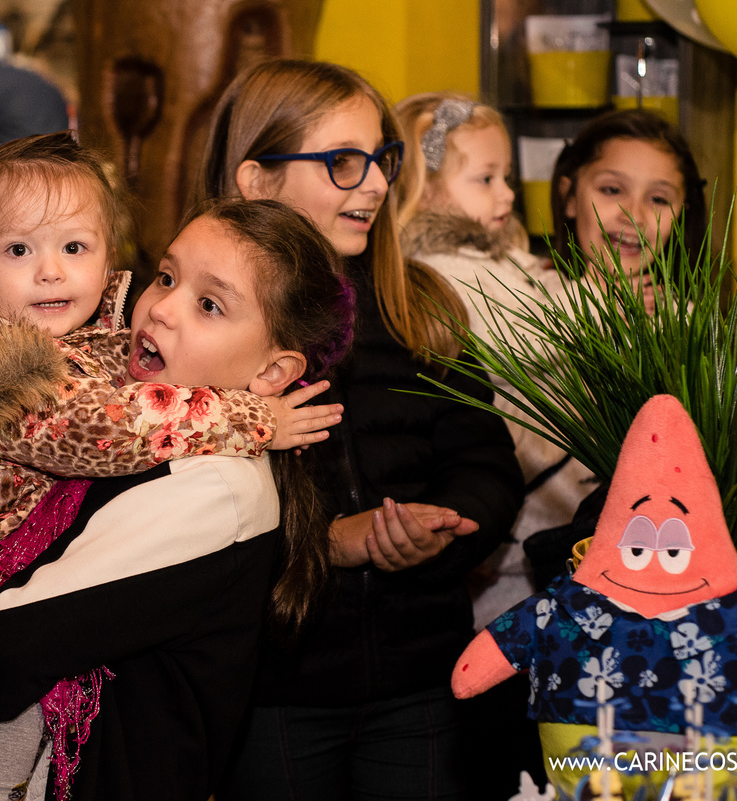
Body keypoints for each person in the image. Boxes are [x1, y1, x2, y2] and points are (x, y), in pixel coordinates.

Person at [0, 132, 341, 797]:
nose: (160, 306)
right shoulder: (14, 358)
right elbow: (95, 430)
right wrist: (254, 417)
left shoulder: (212, 485)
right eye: (166, 276)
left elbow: (8, 643)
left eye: (208, 303)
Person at [196, 59, 525, 799]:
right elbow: (176, 515)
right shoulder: (198, 324)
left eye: (382, 158)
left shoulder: (420, 303)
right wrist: (328, 543)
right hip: (273, 690)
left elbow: (487, 462)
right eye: (344, 162)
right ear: (256, 180)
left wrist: (439, 528)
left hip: (423, 679)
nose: (376, 183)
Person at [395, 91, 599, 797]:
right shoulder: (447, 274)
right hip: (511, 551)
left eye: (506, 176)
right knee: (513, 725)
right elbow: (547, 327)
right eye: (484, 177)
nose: (507, 193)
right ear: (422, 188)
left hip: (540, 527)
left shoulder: (503, 261)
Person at [549, 108, 708, 314]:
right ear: (569, 197)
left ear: (680, 215)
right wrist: (591, 301)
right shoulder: (523, 298)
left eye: (658, 199)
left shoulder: (685, 321)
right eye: (612, 190)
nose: (634, 215)